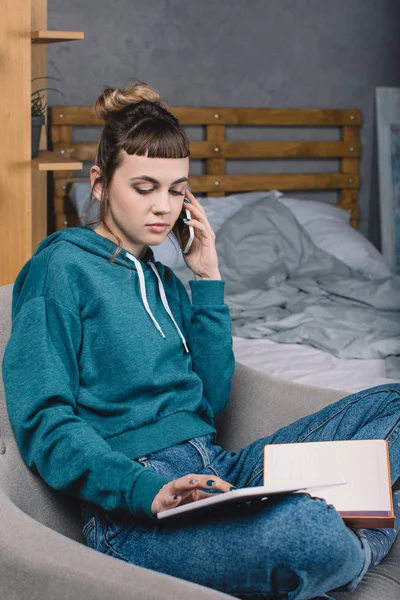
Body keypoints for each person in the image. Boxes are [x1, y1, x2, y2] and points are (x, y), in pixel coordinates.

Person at [2, 79, 400, 600]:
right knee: (308, 532)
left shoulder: (167, 283)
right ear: (100, 183)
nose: (163, 207)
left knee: (393, 401)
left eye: (176, 189)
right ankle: (356, 544)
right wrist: (145, 490)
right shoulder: (59, 269)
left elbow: (210, 402)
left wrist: (207, 278)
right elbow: (43, 423)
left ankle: (332, 537)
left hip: (218, 470)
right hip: (137, 508)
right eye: (144, 188)